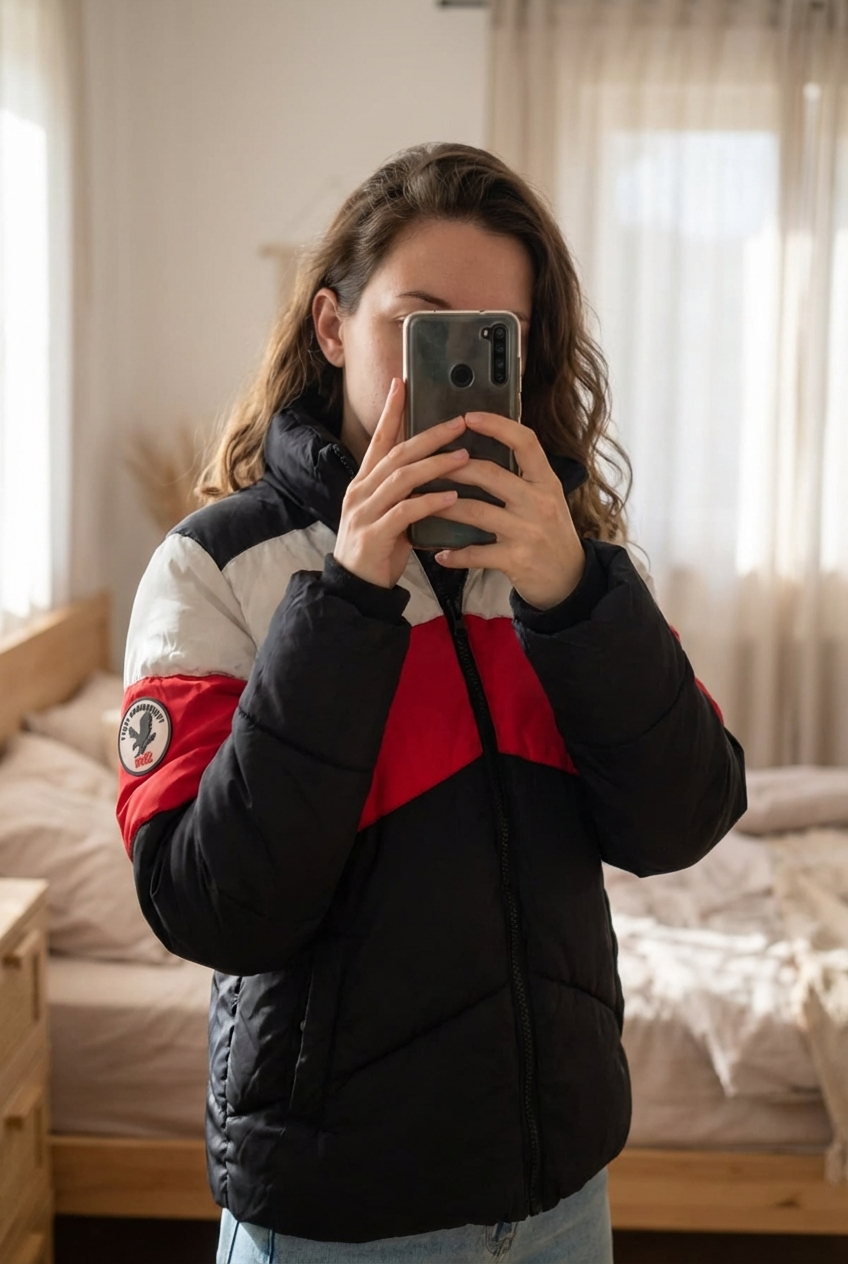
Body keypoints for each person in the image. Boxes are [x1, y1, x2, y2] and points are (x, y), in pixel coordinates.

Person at [117, 143, 746, 1263]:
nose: (455, 366)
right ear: (331, 327)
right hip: (335, 1220)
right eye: (418, 325)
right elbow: (211, 906)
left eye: (493, 336)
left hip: (559, 1200)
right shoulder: (215, 570)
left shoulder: (565, 562)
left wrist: (575, 601)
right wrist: (350, 601)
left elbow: (681, 821)